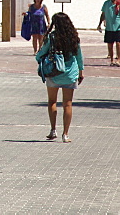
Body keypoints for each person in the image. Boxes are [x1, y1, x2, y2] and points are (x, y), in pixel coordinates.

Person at [35, 12, 84, 143]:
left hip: (54, 73)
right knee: (68, 104)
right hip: (70, 73)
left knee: (52, 101)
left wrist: (39, 58)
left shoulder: (52, 37)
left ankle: (53, 130)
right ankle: (66, 134)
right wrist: (81, 71)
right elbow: (79, 55)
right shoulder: (73, 37)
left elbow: (42, 53)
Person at [97, 0, 120, 66]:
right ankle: (111, 60)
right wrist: (99, 24)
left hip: (118, 27)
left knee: (118, 43)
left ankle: (118, 59)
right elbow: (103, 14)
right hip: (109, 27)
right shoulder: (106, 3)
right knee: (110, 44)